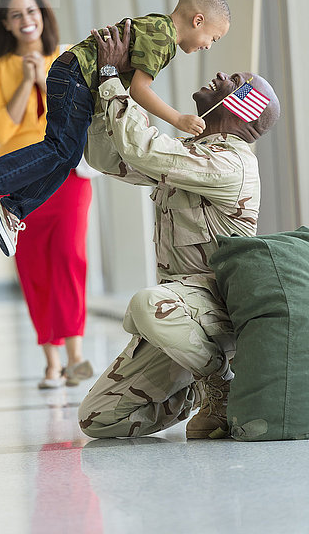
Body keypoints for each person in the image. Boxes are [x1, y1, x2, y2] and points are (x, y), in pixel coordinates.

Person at [77, 24, 280, 439]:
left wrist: (112, 79)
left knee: (144, 305)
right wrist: (96, 90)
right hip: (179, 315)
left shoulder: (232, 165)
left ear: (243, 109)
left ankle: (219, 384)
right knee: (97, 420)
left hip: (210, 308)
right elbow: (105, 156)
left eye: (237, 82)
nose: (223, 76)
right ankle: (193, 379)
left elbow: (143, 148)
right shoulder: (195, 156)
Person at [0, 0, 230, 257]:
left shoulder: (158, 28)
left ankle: (12, 209)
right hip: (75, 78)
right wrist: (178, 119)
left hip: (72, 76)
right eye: (214, 38)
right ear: (198, 20)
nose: (208, 46)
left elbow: (132, 87)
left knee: (67, 156)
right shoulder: (164, 38)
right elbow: (140, 88)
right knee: (59, 148)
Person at [0, 0, 94, 388]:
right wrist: (25, 83)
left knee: (68, 257)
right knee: (33, 268)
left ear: (43, 15)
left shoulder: (66, 58)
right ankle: (51, 360)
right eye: (16, 15)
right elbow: (2, 127)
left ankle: (76, 356)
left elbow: (76, 116)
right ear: (6, 25)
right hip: (19, 177)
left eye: (32, 11)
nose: (26, 20)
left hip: (66, 175)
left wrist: (45, 81)